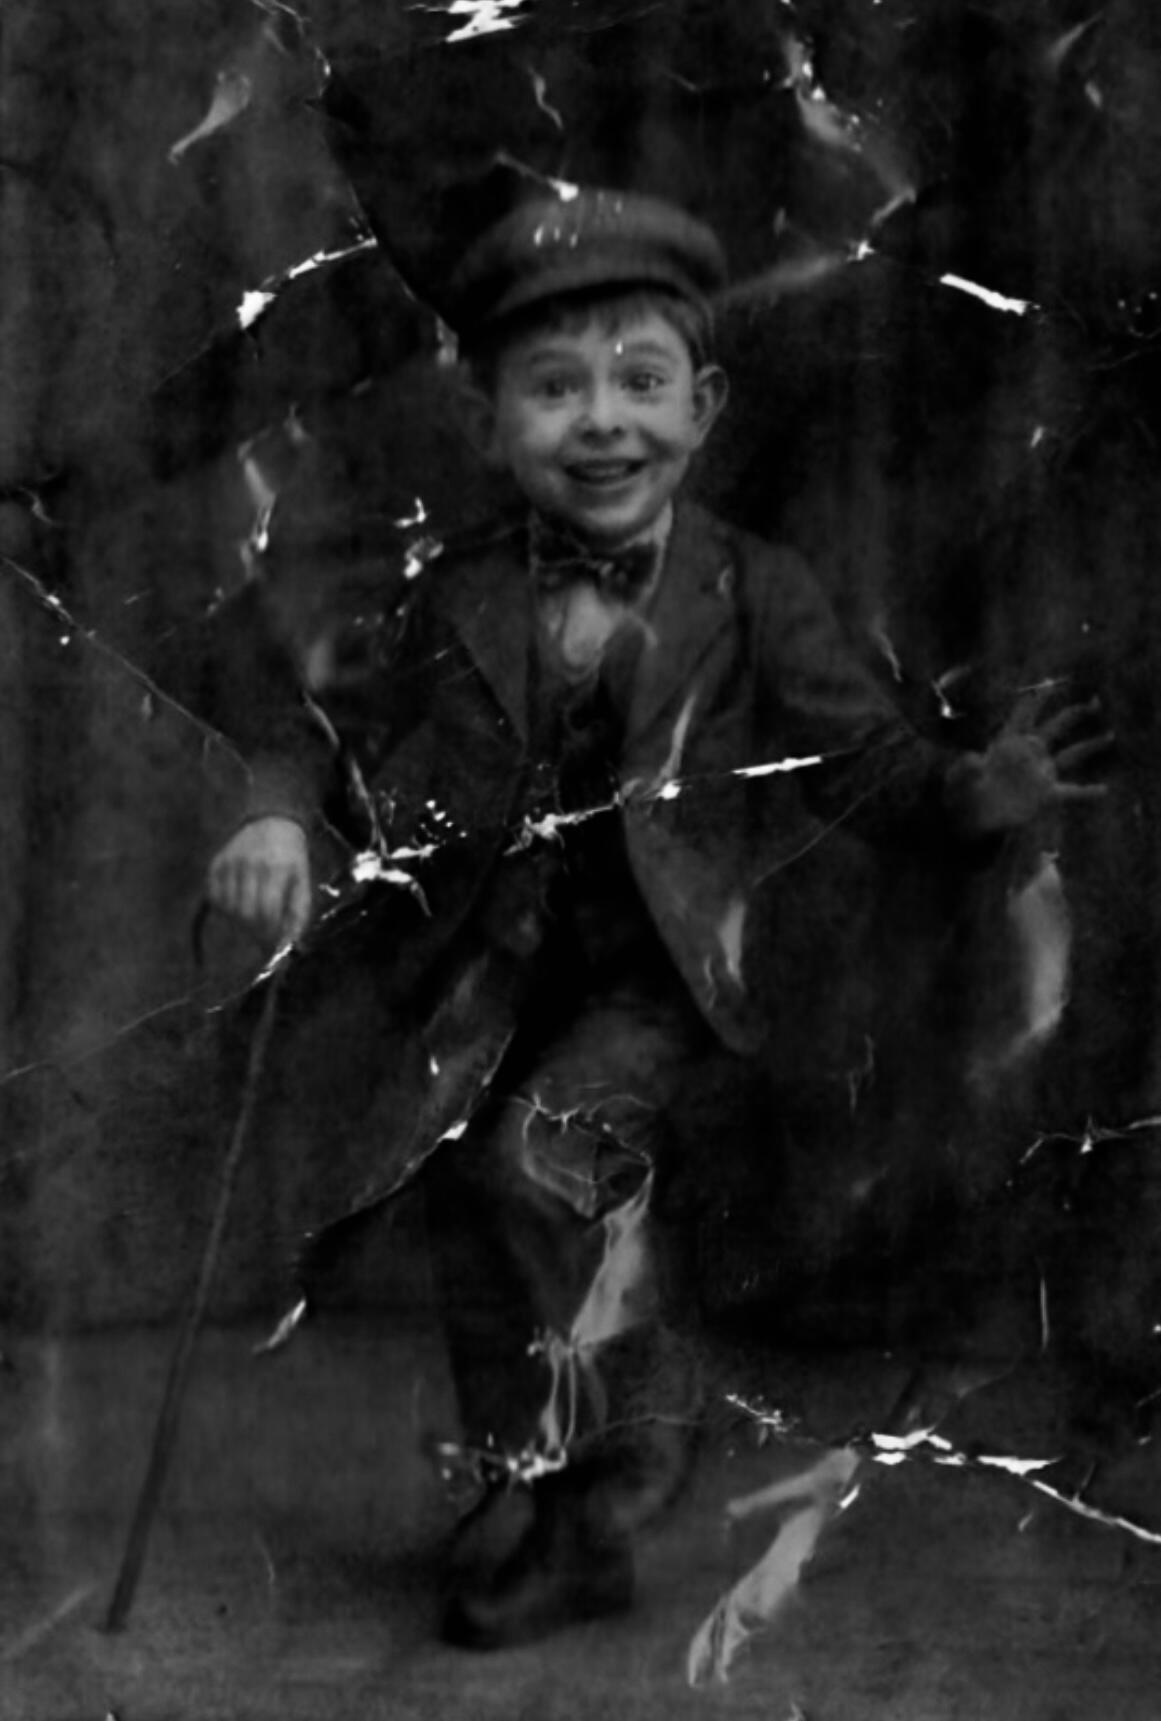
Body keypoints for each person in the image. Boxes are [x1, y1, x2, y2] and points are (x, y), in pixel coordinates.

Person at [204, 188, 1105, 1648]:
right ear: (489, 418)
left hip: (670, 983)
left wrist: (977, 792)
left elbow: (863, 764)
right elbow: (322, 725)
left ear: (705, 405)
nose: (602, 422)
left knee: (531, 1168)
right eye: (554, 387)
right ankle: (535, 1478)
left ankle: (618, 1465)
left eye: (640, 380)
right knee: (466, 1199)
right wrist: (269, 817)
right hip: (491, 974)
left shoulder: (753, 590)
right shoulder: (457, 589)